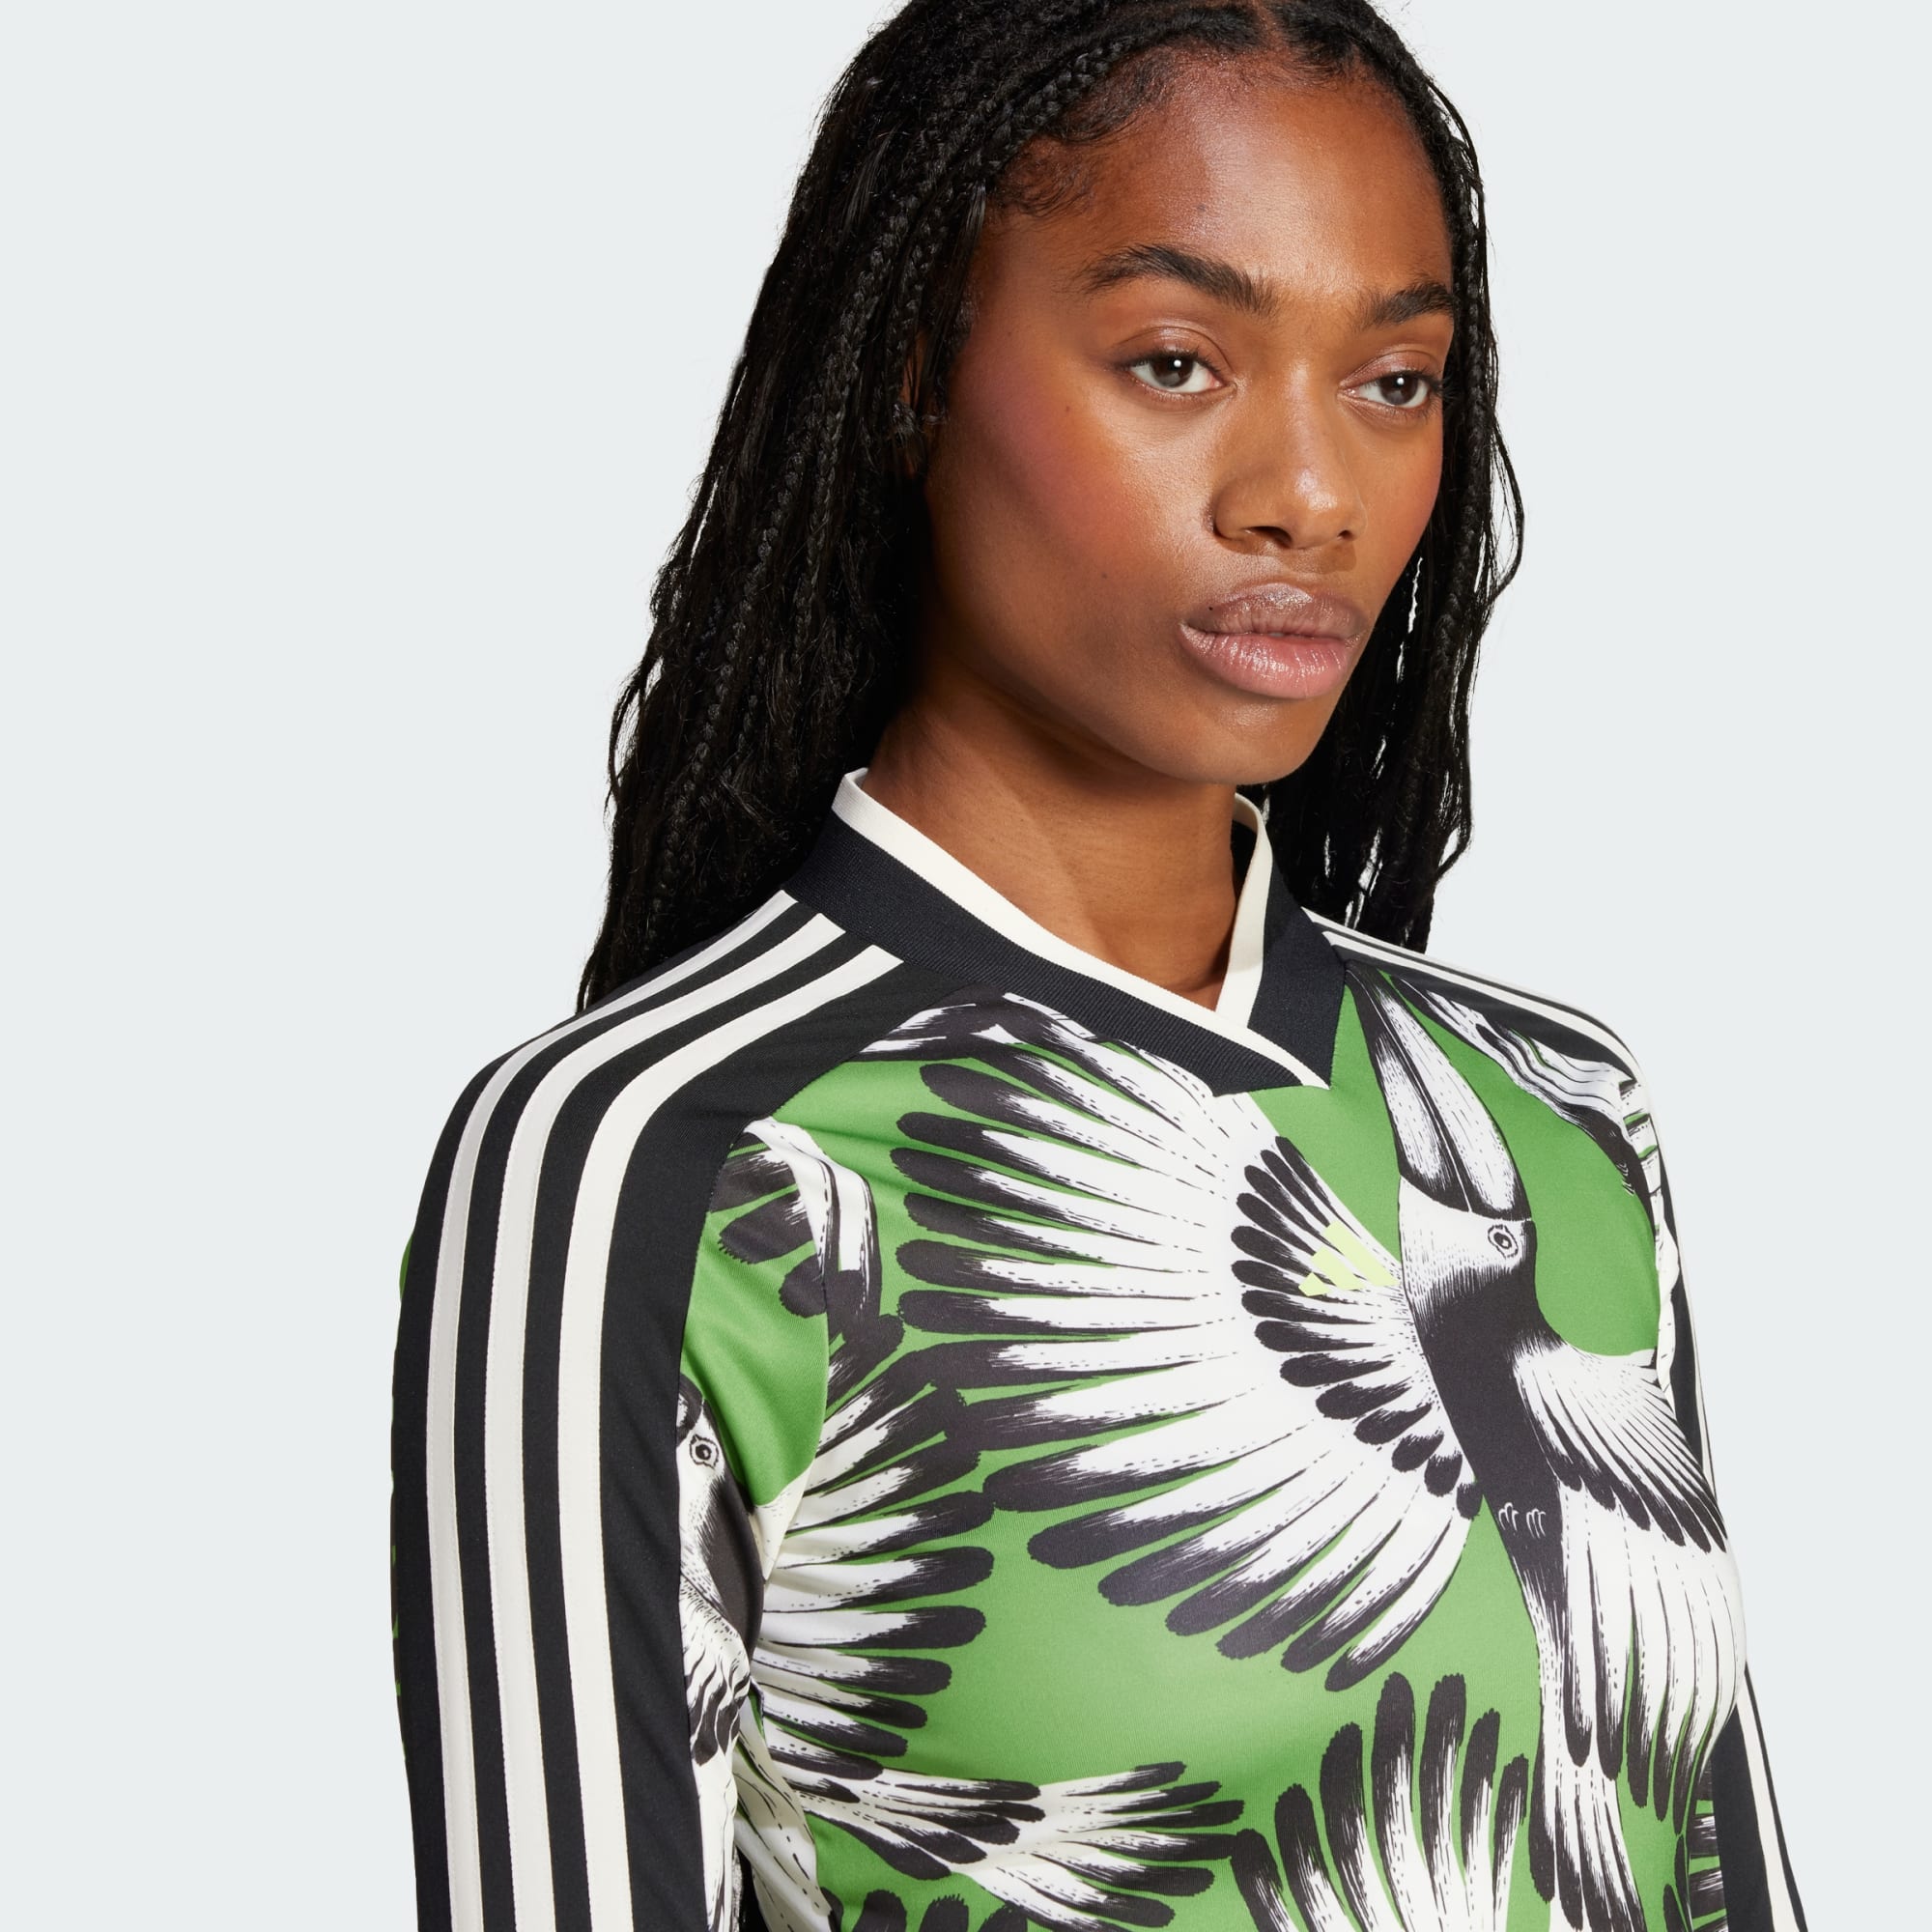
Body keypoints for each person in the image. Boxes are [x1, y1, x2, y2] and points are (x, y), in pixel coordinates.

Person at [389, 5, 1808, 1930]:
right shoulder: (656, 1160)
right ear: (913, 370)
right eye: (1175, 361)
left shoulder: (1552, 1111)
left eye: (1393, 382)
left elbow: (1712, 1862)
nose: (1310, 492)